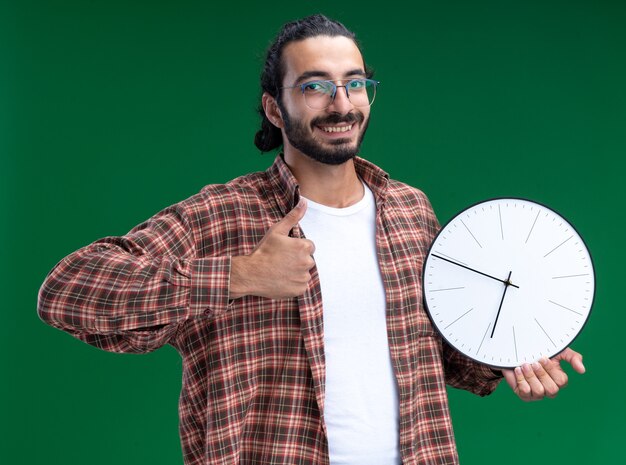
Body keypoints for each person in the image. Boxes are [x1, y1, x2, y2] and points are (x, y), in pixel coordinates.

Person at [38, 14, 585, 465]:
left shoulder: (409, 211)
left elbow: (434, 353)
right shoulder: (221, 215)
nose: (341, 104)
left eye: (354, 83)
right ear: (276, 108)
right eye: (316, 86)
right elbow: (66, 292)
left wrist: (510, 352)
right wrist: (238, 276)